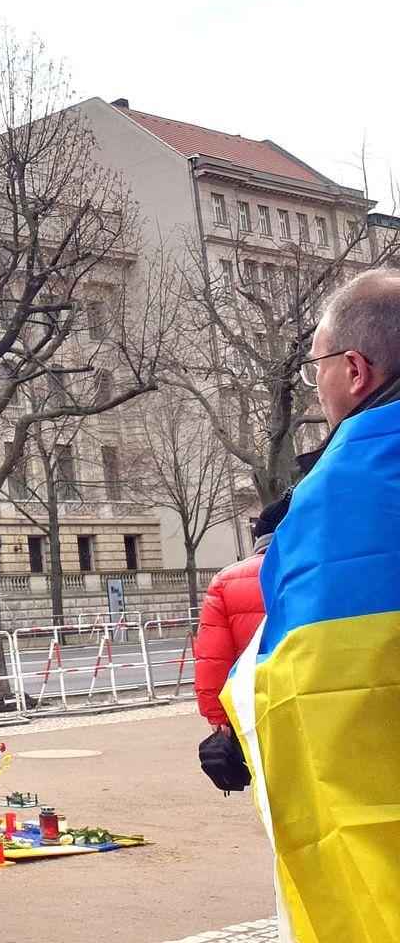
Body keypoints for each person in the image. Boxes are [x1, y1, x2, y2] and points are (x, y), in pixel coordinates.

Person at [230, 268, 400, 942]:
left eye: (317, 368)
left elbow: (319, 690)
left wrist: (236, 719)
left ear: (355, 369)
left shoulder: (347, 488)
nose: (318, 385)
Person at [194, 510, 283, 732]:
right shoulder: (319, 571)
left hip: (251, 709)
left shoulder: (225, 581)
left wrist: (218, 715)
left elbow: (213, 658)